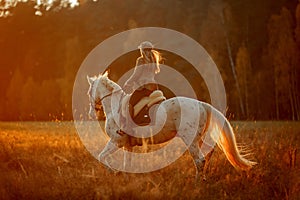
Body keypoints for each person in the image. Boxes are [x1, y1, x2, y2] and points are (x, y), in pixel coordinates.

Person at [119, 41, 162, 134]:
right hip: (154, 87)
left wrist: (128, 82)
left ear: (142, 50)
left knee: (129, 103)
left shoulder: (141, 60)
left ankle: (128, 128)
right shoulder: (154, 60)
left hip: (143, 88)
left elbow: (136, 74)